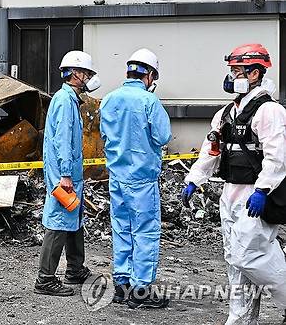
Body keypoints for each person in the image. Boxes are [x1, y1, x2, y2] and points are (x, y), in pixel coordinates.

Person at [181, 44, 286, 324]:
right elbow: (211, 151)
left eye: (236, 71)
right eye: (231, 70)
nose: (231, 76)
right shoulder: (226, 113)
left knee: (249, 255)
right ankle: (239, 319)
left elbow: (277, 156)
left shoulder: (269, 112)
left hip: (256, 194)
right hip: (230, 192)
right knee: (234, 260)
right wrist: (194, 179)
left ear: (254, 73)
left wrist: (264, 189)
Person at [99, 48, 172, 308]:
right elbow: (163, 137)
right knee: (145, 232)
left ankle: (122, 285)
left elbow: (105, 137)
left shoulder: (108, 99)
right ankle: (141, 291)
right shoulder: (149, 102)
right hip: (141, 179)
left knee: (121, 229)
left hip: (116, 177)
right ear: (149, 76)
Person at [34, 50, 101, 296]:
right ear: (75, 74)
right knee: (59, 222)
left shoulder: (70, 99)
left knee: (74, 217)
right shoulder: (64, 101)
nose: (89, 78)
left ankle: (75, 268)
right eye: (86, 73)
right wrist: (64, 175)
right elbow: (62, 140)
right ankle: (45, 278)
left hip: (70, 172)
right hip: (64, 173)